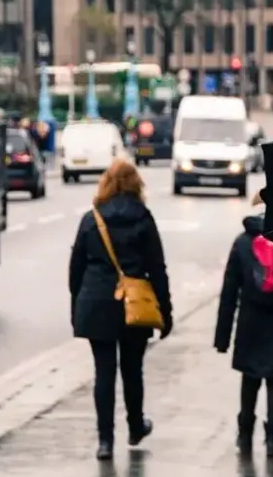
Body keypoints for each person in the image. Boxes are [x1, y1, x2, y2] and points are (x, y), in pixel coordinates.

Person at [69, 159, 173, 461]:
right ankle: (136, 425)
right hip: (135, 305)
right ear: (136, 184)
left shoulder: (92, 219)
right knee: (132, 369)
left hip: (96, 303)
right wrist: (166, 312)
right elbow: (158, 269)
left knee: (103, 372)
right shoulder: (144, 218)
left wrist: (76, 306)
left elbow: (75, 269)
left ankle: (105, 440)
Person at [213, 199, 273, 458]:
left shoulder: (242, 243)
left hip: (250, 322)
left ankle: (245, 433)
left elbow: (229, 291)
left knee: (250, 379)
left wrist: (222, 337)